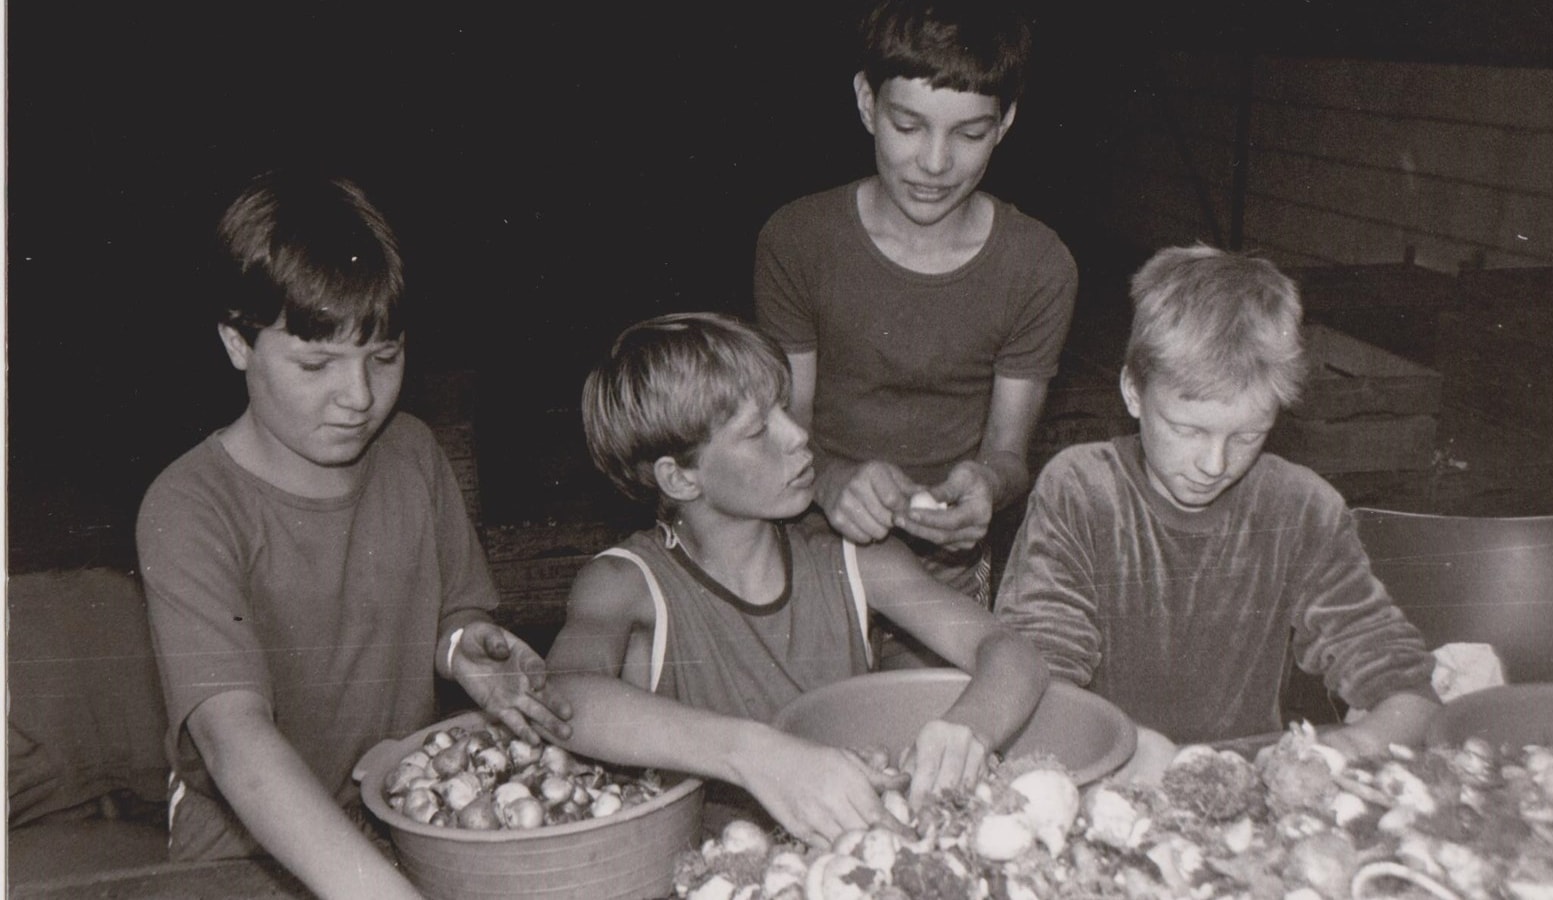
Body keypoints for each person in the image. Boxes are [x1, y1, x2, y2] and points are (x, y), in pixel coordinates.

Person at [136, 170, 572, 898]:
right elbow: (233, 738)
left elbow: (454, 610)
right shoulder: (189, 505)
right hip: (244, 847)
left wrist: (463, 647)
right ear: (237, 343)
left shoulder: (414, 455)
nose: (360, 396)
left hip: (403, 815)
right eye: (316, 363)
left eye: (385, 356)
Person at [544, 312, 1048, 848]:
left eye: (784, 409)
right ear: (681, 477)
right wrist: (757, 754)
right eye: (758, 429)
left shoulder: (855, 560)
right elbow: (564, 696)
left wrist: (967, 728)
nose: (798, 435)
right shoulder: (626, 582)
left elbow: (1013, 652)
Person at [993, 244, 1440, 763]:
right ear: (1133, 391)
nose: (1214, 463)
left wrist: (1352, 744)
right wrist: (1126, 749)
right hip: (1098, 761)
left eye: (1248, 436)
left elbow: (1405, 688)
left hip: (1244, 772)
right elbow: (1035, 673)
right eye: (1187, 430)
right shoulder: (1080, 491)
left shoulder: (1302, 509)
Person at [753, 0, 1078, 635]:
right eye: (908, 125)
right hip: (803, 557)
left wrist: (987, 485)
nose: (934, 163)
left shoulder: (1040, 266)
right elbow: (782, 428)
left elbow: (1008, 453)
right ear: (866, 102)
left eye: (970, 134)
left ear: (1006, 122)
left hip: (944, 577)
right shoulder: (796, 241)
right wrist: (832, 481)